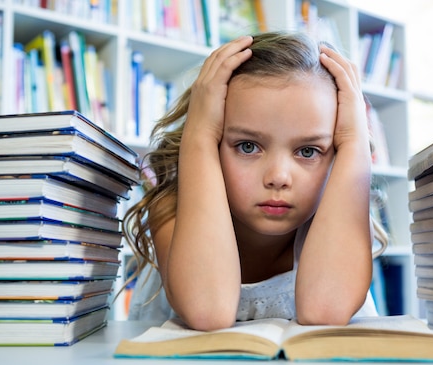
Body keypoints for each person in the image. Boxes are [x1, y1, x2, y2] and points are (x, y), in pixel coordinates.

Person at [122, 31, 388, 331]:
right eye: (247, 146)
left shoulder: (340, 212)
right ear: (214, 143)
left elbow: (324, 313)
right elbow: (208, 312)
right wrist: (198, 135)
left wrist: (355, 140)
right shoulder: (173, 208)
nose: (278, 177)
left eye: (308, 151)